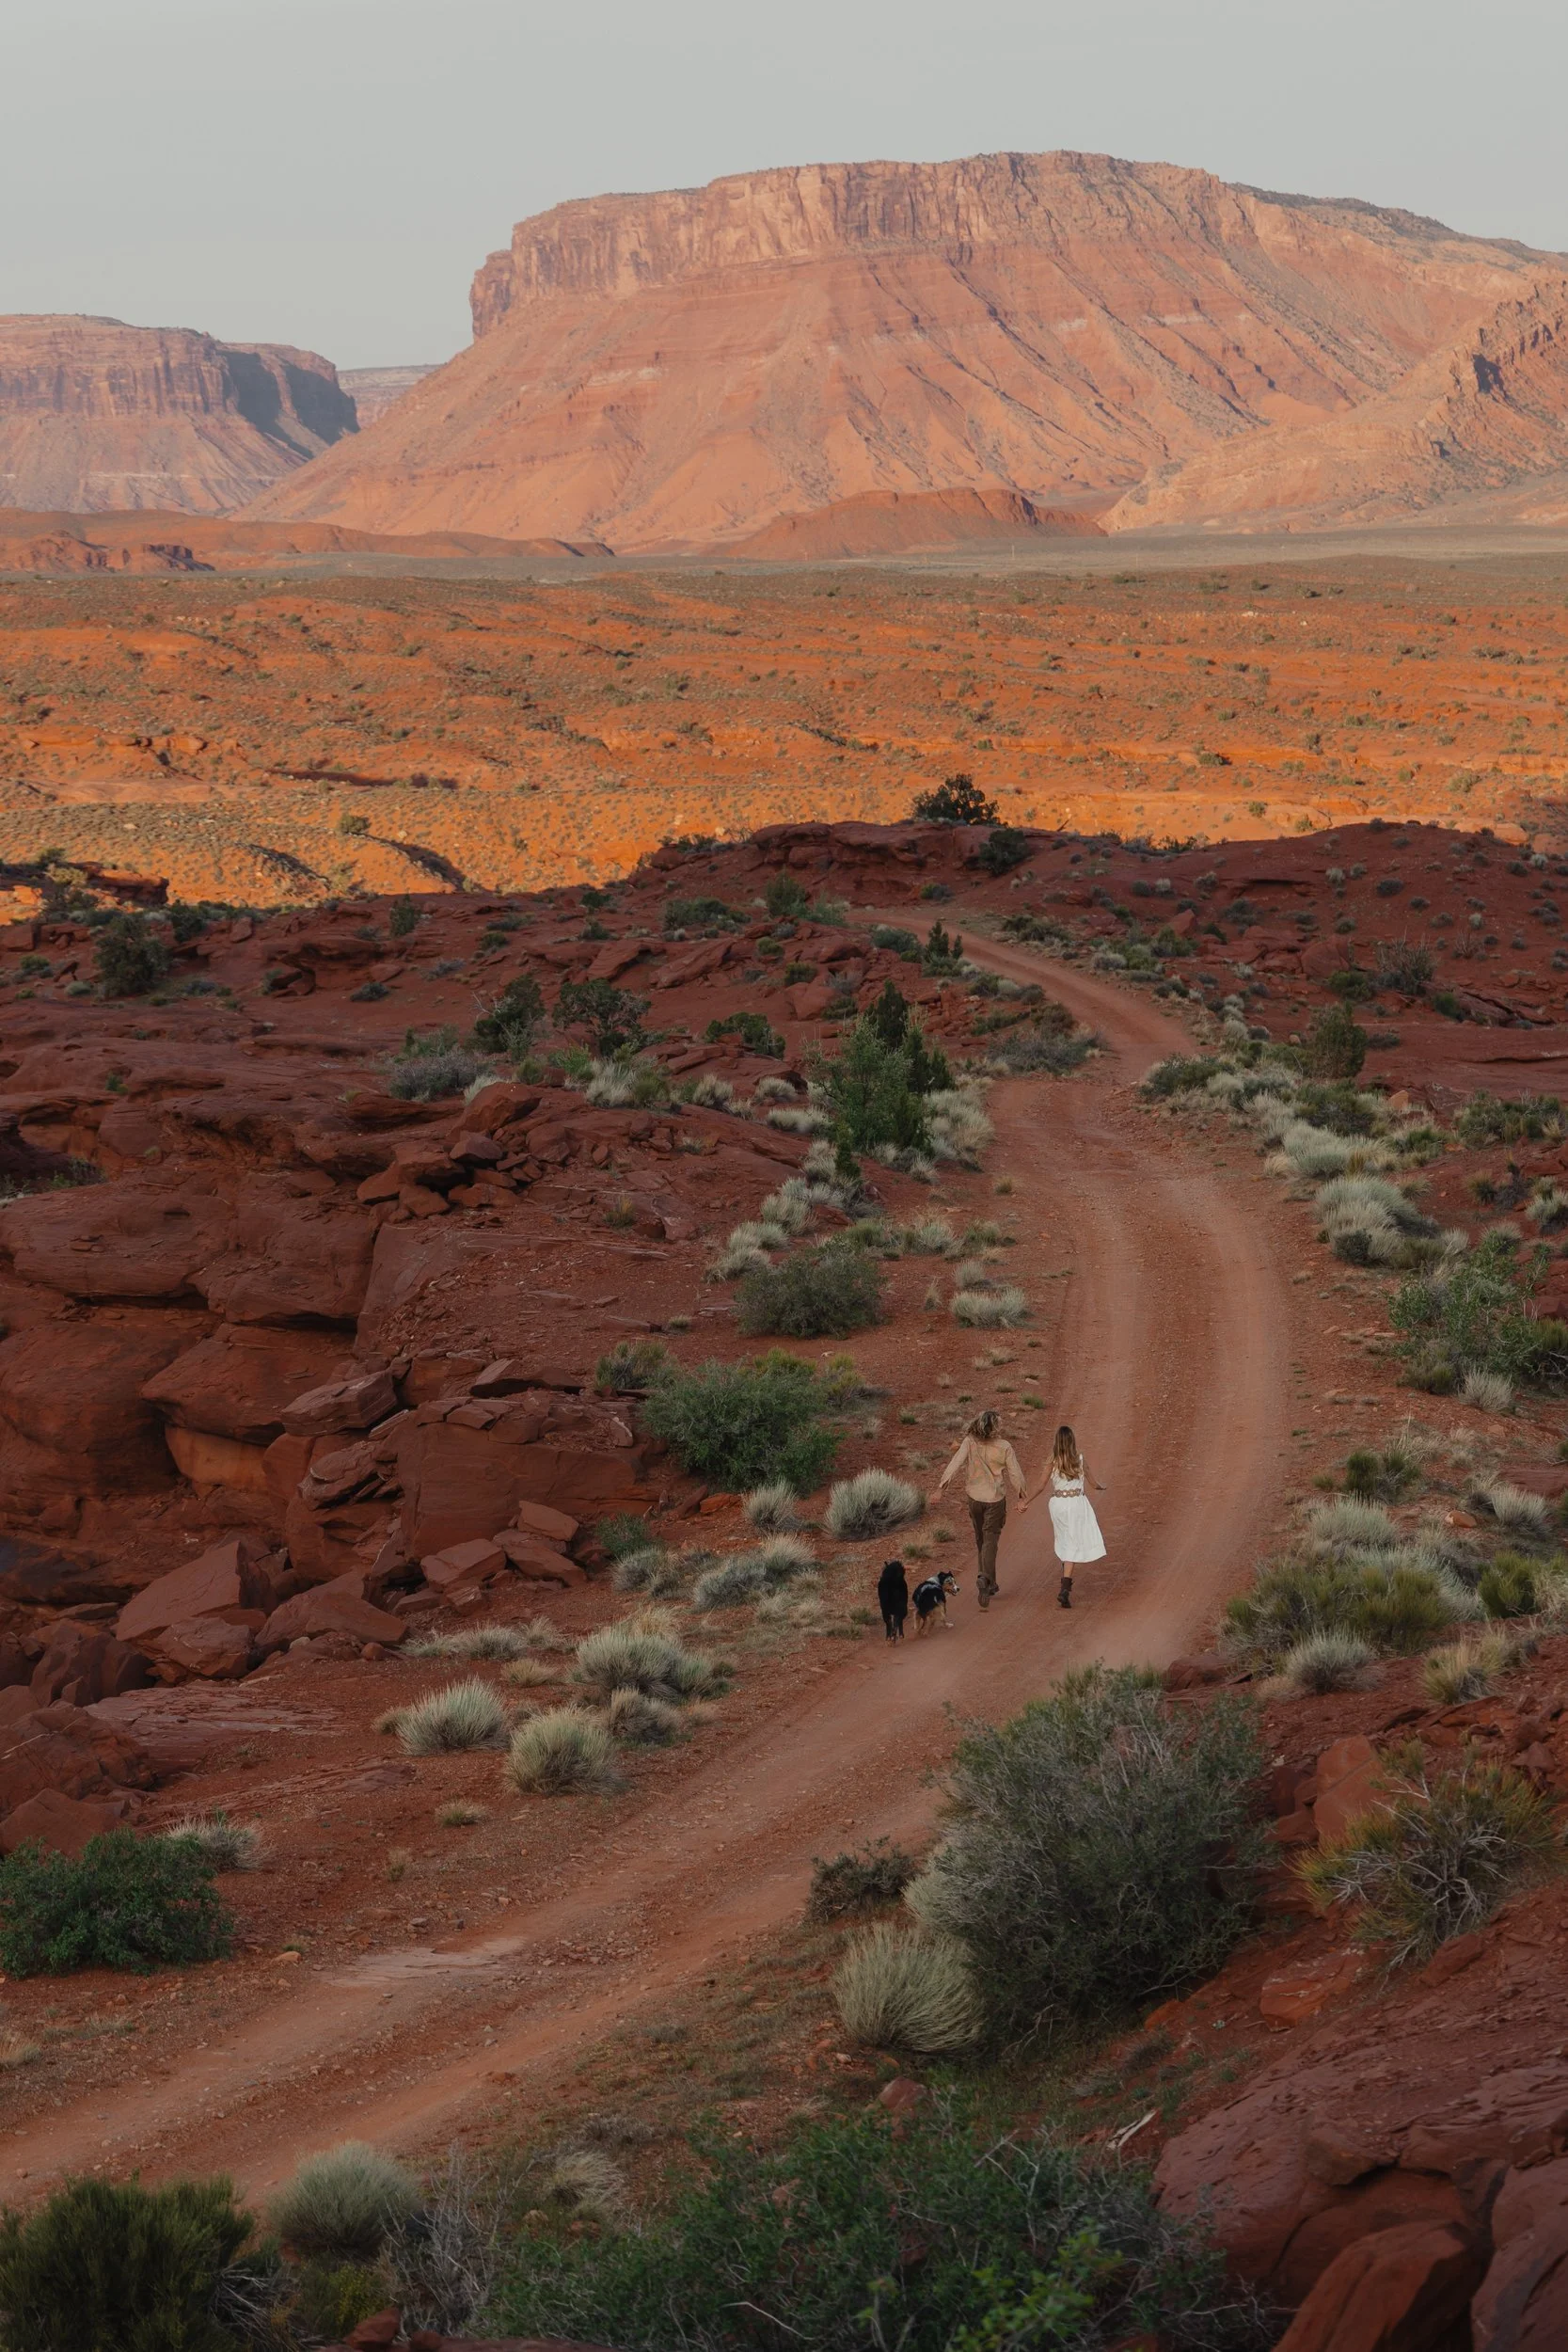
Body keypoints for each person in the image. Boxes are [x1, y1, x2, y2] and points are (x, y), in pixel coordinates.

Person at [931, 1408, 1026, 1611]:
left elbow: (955, 1463)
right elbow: (1015, 1473)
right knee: (991, 1538)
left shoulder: (970, 1442)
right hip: (994, 1499)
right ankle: (985, 1578)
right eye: (999, 1423)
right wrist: (1021, 1495)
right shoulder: (1004, 1447)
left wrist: (941, 1487)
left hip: (974, 1498)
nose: (1002, 1426)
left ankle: (989, 1582)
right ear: (992, 1427)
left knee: (981, 1539)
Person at [1022, 1423, 1106, 1608]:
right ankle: (1065, 1587)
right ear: (1072, 1441)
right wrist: (1101, 1486)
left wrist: (1025, 1501)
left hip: (1059, 1504)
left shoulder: (1052, 1461)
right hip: (1077, 1504)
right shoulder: (1080, 1460)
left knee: (1065, 1540)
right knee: (1073, 1543)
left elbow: (1041, 1485)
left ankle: (1065, 1577)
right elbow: (1093, 1482)